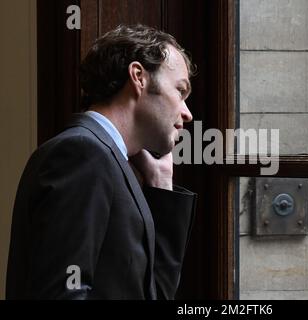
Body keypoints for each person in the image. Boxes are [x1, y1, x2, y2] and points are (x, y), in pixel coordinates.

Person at [6, 25, 196, 300]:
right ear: (139, 77)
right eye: (180, 91)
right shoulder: (82, 154)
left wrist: (161, 187)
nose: (186, 113)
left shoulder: (107, 159)